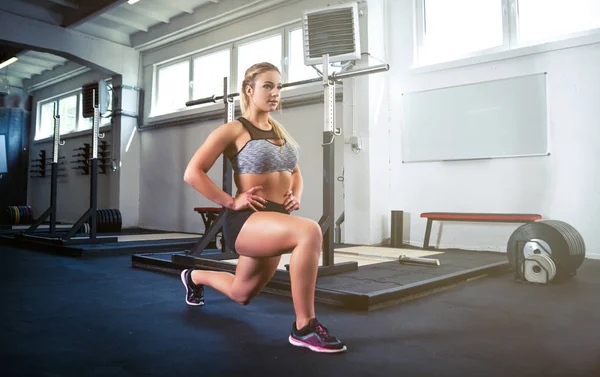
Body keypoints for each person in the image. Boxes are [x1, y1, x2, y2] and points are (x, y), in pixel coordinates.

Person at [180, 62, 346, 354]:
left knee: (241, 293)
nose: (275, 93)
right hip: (248, 220)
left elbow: (294, 173)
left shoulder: (280, 131)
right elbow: (193, 172)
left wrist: (295, 195)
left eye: (278, 87)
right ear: (249, 90)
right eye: (267, 86)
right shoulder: (234, 130)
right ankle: (304, 326)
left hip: (276, 218)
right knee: (309, 231)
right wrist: (231, 201)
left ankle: (193, 276)